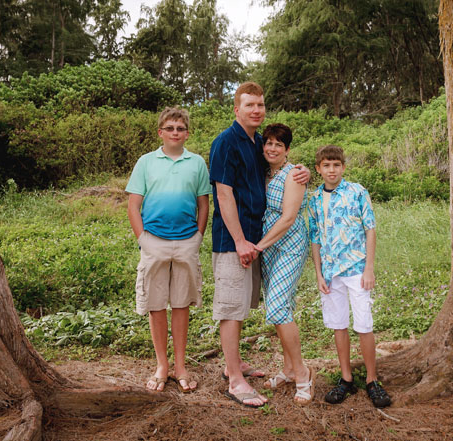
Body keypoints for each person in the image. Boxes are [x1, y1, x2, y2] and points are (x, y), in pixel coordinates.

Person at [209, 82, 309, 407]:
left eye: (260, 105)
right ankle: (235, 381)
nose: (256, 110)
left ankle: (232, 365)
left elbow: (279, 171)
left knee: (242, 305)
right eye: (249, 104)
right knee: (231, 310)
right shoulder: (226, 143)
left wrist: (302, 170)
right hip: (234, 241)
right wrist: (239, 241)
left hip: (255, 241)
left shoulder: (256, 143)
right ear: (236, 108)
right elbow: (224, 194)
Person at [126, 107, 209, 393]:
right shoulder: (146, 162)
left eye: (180, 128)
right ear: (161, 132)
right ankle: (162, 365)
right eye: (170, 128)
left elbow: (203, 204)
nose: (176, 132)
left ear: (187, 133)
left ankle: (181, 366)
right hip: (154, 242)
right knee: (156, 304)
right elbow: (134, 205)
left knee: (181, 303)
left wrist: (198, 236)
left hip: (186, 241)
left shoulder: (196, 163)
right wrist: (143, 239)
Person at [308, 145, 392, 408]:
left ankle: (371, 379)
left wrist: (369, 268)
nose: (331, 170)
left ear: (343, 167)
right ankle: (346, 379)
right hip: (331, 274)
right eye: (326, 165)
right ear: (318, 169)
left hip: (357, 271)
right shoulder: (314, 200)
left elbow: (370, 229)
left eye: (336, 165)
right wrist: (319, 273)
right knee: (338, 324)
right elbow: (315, 239)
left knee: (364, 324)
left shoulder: (357, 192)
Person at [253, 123, 313, 405]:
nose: (272, 148)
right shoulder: (264, 172)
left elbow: (289, 217)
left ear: (287, 150)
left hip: (288, 242)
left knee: (277, 304)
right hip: (269, 242)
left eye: (278, 144)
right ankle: (288, 369)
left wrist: (259, 246)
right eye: (268, 143)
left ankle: (302, 373)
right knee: (281, 306)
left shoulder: (294, 174)